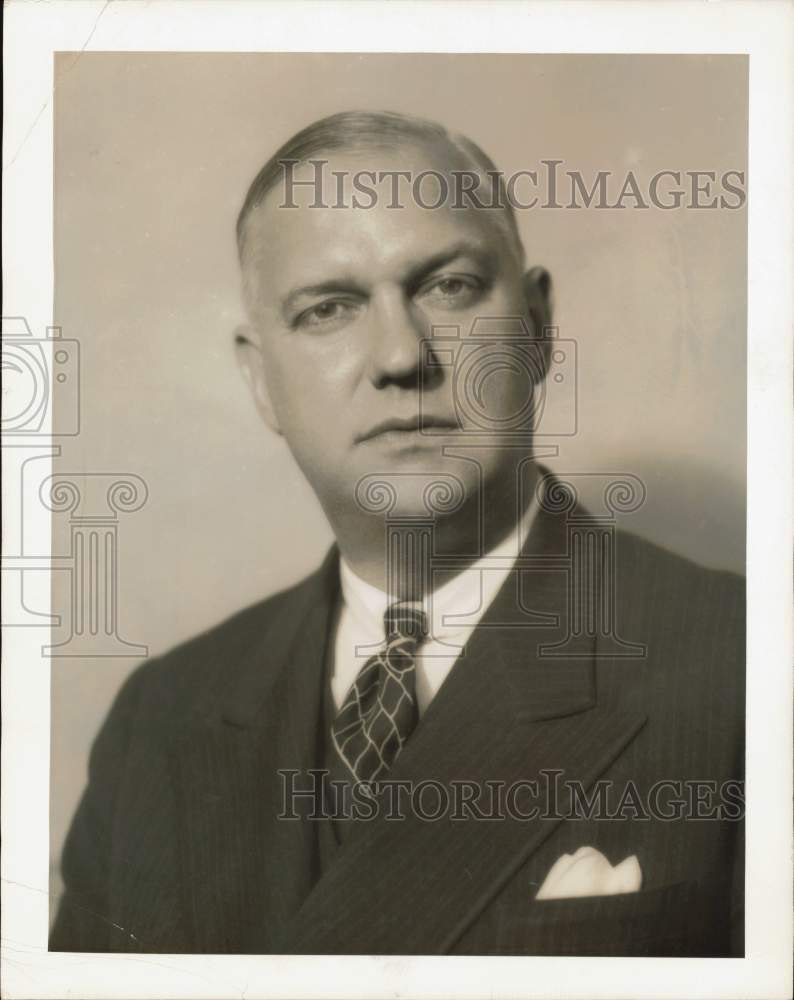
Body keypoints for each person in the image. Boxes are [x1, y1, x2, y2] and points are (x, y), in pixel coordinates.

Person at [50, 110, 744, 956]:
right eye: (328, 309)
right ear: (259, 377)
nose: (400, 355)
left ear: (535, 327)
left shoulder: (743, 668)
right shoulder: (158, 725)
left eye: (447, 286)